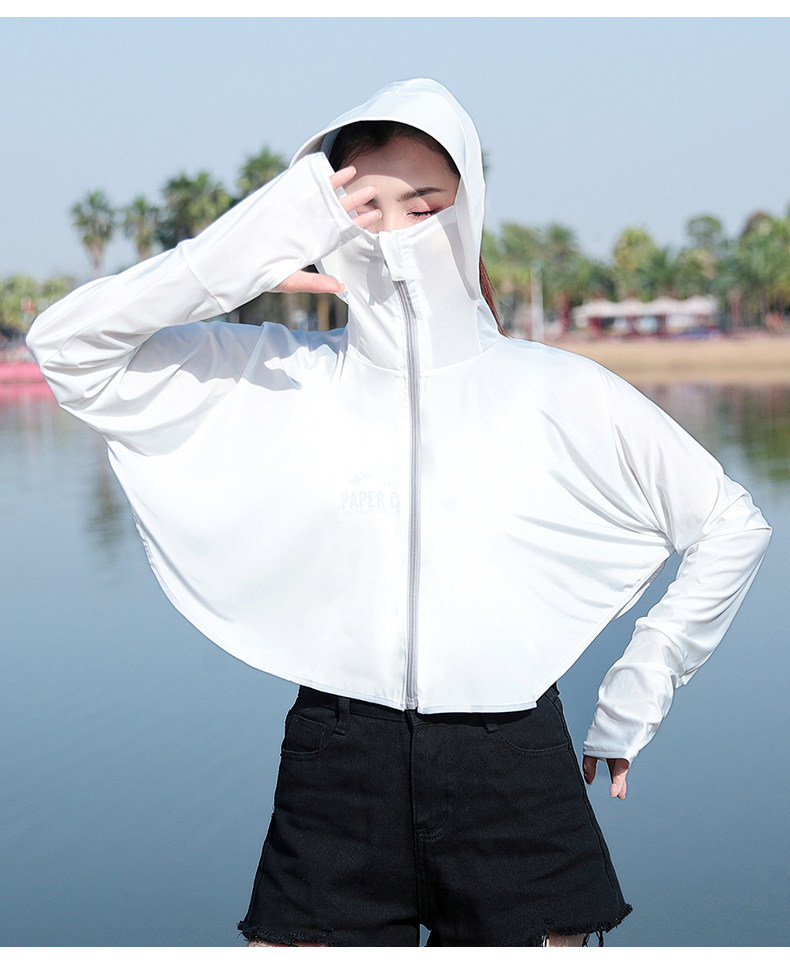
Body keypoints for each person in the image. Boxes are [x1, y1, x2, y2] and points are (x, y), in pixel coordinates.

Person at [26, 79, 771, 947]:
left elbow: (730, 523)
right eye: (361, 208)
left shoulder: (556, 389)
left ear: (469, 211)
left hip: (514, 767)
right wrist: (254, 242)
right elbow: (69, 348)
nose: (394, 234)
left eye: (424, 206)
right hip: (335, 767)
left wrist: (642, 681)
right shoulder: (282, 375)